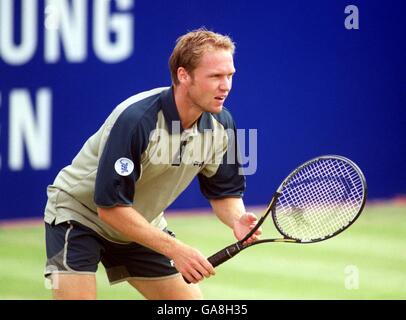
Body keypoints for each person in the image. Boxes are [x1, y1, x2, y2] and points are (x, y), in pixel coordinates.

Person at [43, 28, 261, 300]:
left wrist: (237, 219)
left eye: (229, 75)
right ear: (184, 75)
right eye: (215, 76)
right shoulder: (137, 120)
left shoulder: (222, 124)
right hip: (80, 216)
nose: (226, 85)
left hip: (141, 222)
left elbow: (224, 193)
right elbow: (110, 210)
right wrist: (177, 250)